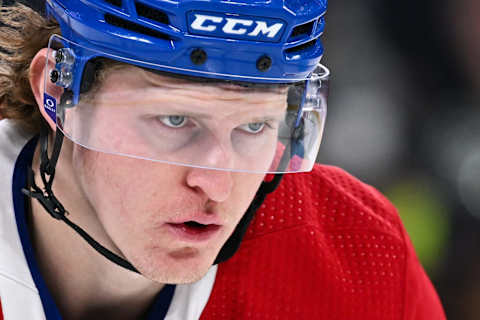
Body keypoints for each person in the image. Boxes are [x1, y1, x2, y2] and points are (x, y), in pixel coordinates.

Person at [0, 0, 445, 319]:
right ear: (57, 93)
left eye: (253, 126)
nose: (216, 183)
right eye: (174, 119)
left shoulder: (360, 259)